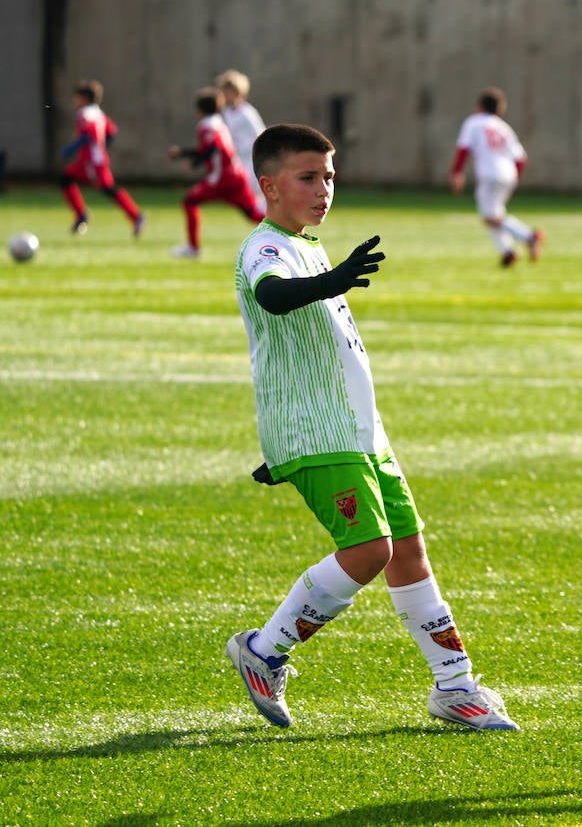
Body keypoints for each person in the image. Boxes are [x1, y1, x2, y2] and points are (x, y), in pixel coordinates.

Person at [226, 123, 519, 730]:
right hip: (320, 433)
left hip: (358, 432)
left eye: (329, 176)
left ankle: (455, 686)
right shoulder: (266, 246)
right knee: (369, 550)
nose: (323, 188)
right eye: (308, 177)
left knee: (407, 550)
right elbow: (275, 297)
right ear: (269, 185)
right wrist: (331, 283)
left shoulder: (309, 245)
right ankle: (263, 651)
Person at [167, 88, 264, 258]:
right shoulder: (218, 122)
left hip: (222, 179)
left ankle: (193, 248)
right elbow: (213, 150)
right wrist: (195, 161)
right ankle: (289, 230)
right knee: (253, 214)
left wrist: (182, 153)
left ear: (199, 110)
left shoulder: (207, 126)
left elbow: (212, 149)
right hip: (236, 175)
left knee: (189, 201)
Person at [451, 87, 543, 267]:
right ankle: (507, 252)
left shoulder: (474, 122)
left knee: (489, 216)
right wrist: (514, 177)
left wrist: (457, 172)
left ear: (479, 107)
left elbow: (464, 148)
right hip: (508, 173)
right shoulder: (503, 127)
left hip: (489, 174)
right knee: (494, 214)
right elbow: (521, 158)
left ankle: (528, 236)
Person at [59, 79, 145, 237]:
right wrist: (100, 147)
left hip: (91, 161)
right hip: (93, 159)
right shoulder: (98, 112)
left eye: (77, 98)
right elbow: (112, 132)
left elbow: (89, 133)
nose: (75, 101)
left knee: (107, 189)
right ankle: (81, 214)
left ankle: (136, 215)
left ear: (84, 99)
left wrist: (71, 149)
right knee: (66, 178)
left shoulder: (85, 113)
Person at [217, 69, 268, 212]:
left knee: (256, 193)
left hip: (250, 159)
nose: (226, 95)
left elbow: (260, 134)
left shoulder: (247, 112)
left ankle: (269, 223)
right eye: (224, 91)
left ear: (238, 92)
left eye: (230, 91)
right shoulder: (224, 112)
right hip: (236, 160)